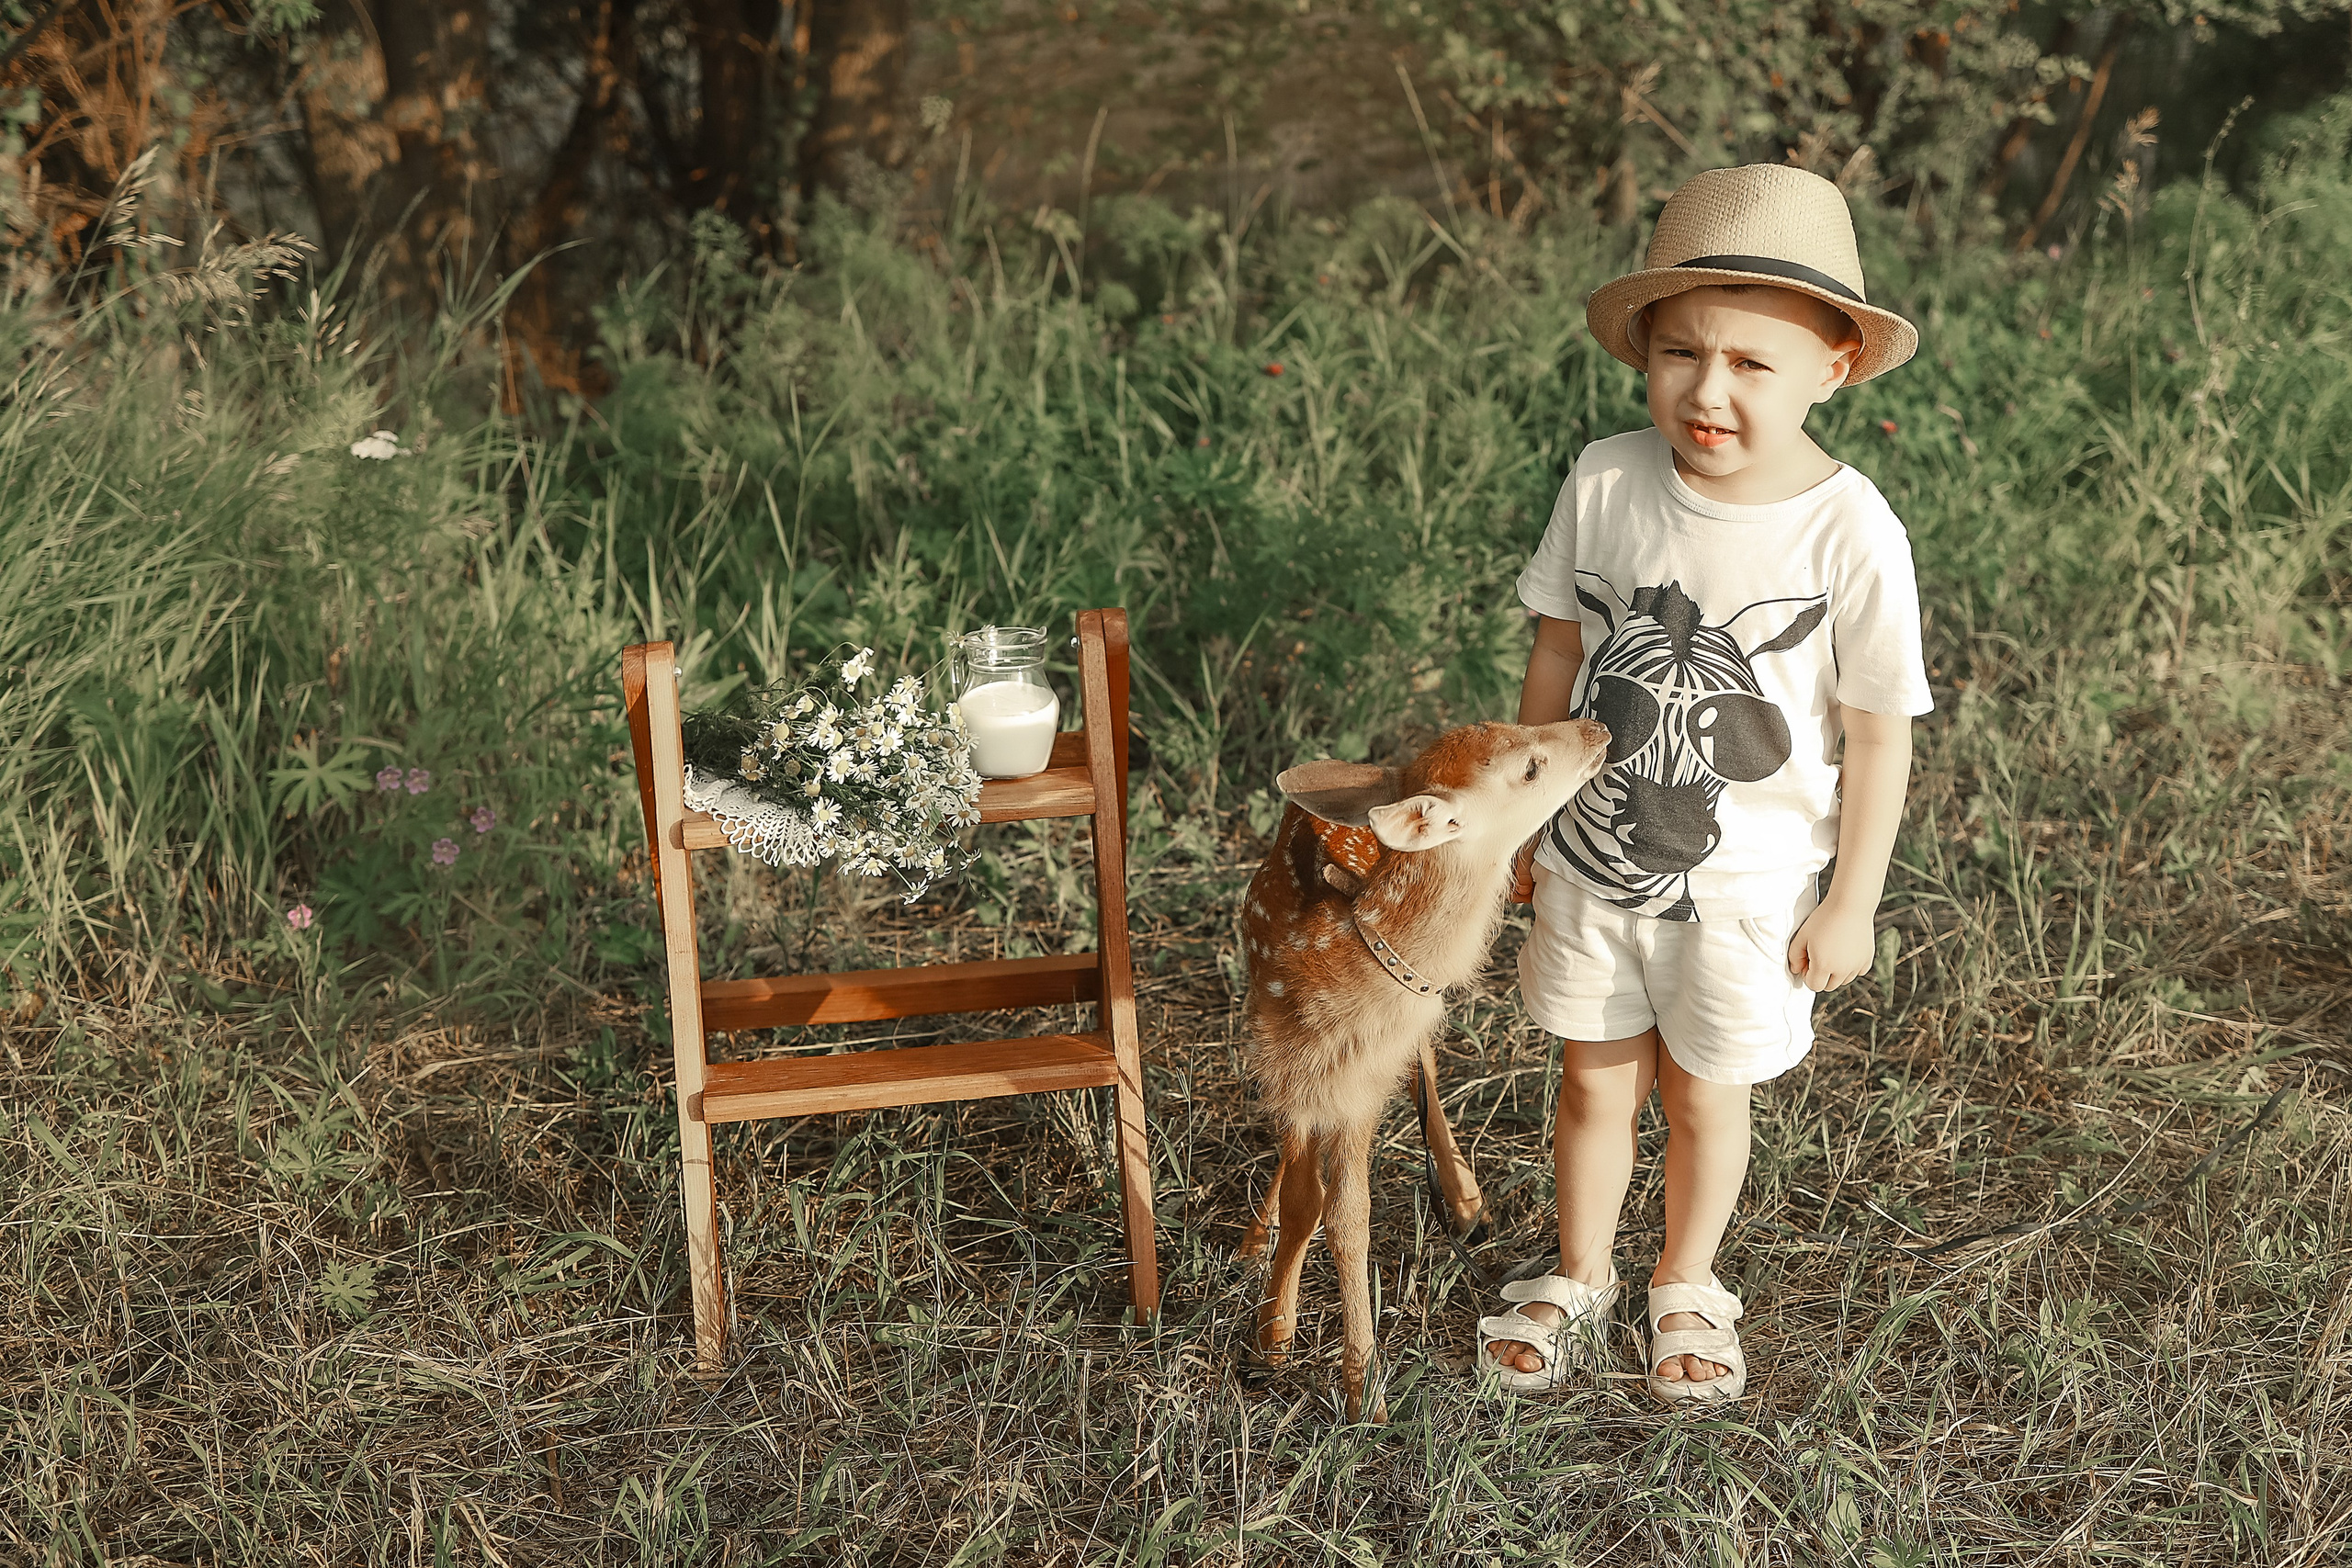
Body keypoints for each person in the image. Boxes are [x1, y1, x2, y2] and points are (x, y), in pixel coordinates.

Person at [1475, 164, 1934, 1404]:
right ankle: (1579, 1275)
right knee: (1587, 1076)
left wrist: (1854, 900)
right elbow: (1562, 646)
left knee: (1703, 1092)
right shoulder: (1609, 478)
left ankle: (1687, 1279)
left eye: (1751, 363)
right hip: (1584, 859)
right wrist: (1520, 811)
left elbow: (1878, 731)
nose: (1708, 390)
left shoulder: (1850, 530)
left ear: (1835, 364)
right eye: (1680, 354)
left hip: (1748, 889)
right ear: (1644, 355)